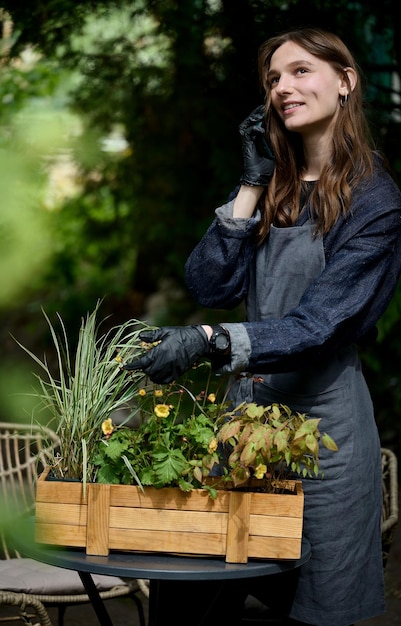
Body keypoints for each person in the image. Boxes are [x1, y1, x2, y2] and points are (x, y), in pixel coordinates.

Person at [124, 27, 401, 626]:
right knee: (193, 587)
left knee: (314, 604)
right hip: (243, 424)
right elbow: (209, 284)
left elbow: (320, 325)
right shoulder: (271, 185)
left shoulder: (375, 199)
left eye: (301, 71)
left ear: (346, 82)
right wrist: (251, 184)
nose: (283, 87)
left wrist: (208, 340)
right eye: (274, 78)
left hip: (324, 432)